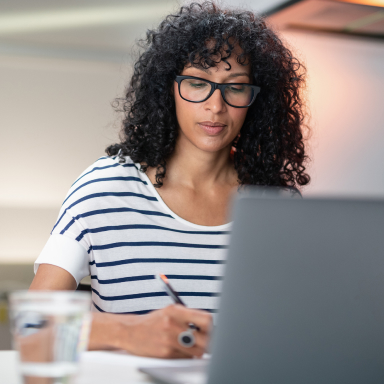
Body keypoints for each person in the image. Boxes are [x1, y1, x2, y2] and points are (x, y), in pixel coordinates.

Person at [29, 1, 310, 358]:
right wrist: (127, 332)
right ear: (168, 88)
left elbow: (298, 328)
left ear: (256, 99)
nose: (215, 106)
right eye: (197, 83)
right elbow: (33, 324)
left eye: (235, 88)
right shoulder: (103, 190)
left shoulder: (278, 204)